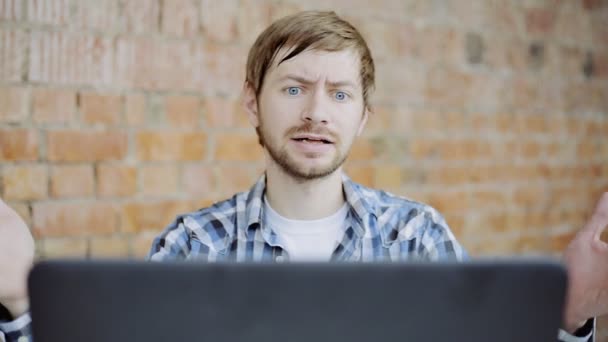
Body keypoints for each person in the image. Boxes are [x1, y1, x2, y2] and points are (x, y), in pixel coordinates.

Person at [0, 10, 606, 342]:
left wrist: (569, 320)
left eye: (339, 94)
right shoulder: (191, 246)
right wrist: (19, 303)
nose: (316, 110)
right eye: (293, 88)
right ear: (252, 102)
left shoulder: (419, 239)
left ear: (363, 117)